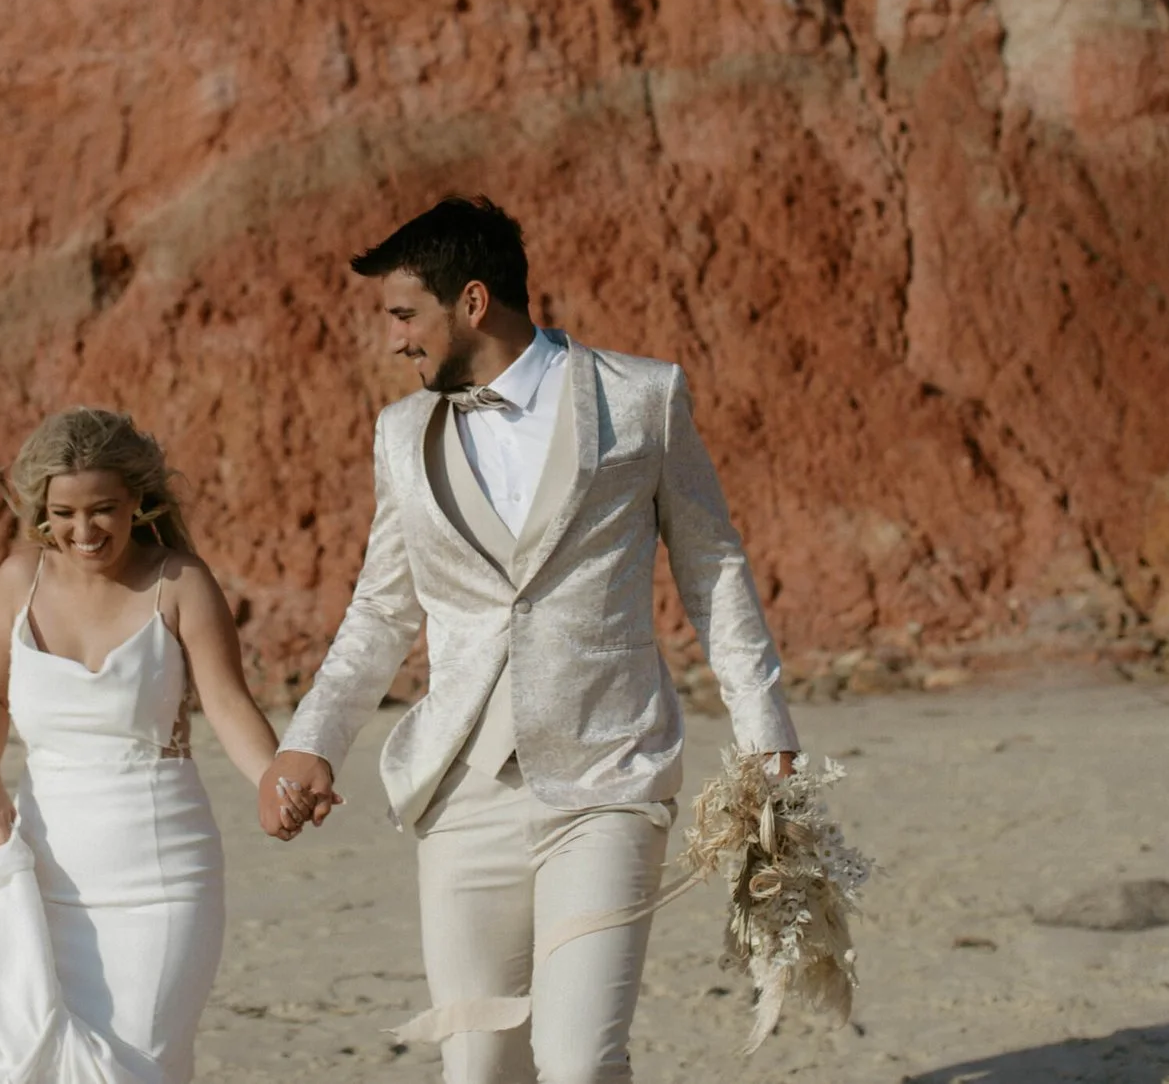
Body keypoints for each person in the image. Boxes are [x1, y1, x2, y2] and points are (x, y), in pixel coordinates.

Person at [262, 197, 801, 1084]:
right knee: (479, 1068)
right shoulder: (402, 435)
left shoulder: (641, 397)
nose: (395, 340)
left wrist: (766, 729)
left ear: (472, 303)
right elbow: (380, 610)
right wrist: (311, 742)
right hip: (462, 788)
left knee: (581, 1063)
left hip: (607, 776)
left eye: (405, 314)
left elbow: (713, 570)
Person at [0, 407, 284, 1084]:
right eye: (64, 513)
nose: (84, 531)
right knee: (16, 1054)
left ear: (139, 499)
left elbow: (227, 703)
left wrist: (274, 779)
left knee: (137, 1066)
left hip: (160, 881)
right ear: (41, 511)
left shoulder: (179, 583)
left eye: (103, 510)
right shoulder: (18, 582)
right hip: (42, 872)